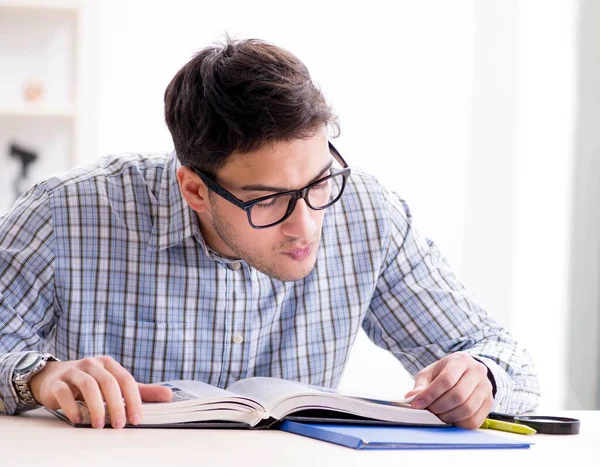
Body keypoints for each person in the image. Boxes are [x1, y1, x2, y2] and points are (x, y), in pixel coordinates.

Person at [0, 37, 539, 430]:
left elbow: (505, 359)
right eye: (268, 200)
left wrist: (481, 378)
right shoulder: (66, 213)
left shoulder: (370, 216)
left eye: (319, 180)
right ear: (194, 191)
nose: (305, 225)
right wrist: (40, 378)